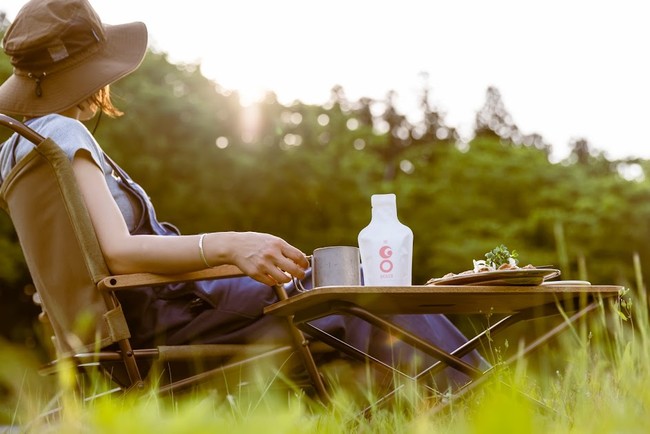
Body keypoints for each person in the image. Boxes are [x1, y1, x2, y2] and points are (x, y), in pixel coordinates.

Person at [0, 0, 486, 392]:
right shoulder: (63, 136)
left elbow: (75, 268)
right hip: (173, 322)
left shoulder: (18, 152)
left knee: (330, 288)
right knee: (348, 294)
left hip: (133, 328)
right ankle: (481, 399)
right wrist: (230, 244)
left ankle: (428, 406)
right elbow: (118, 253)